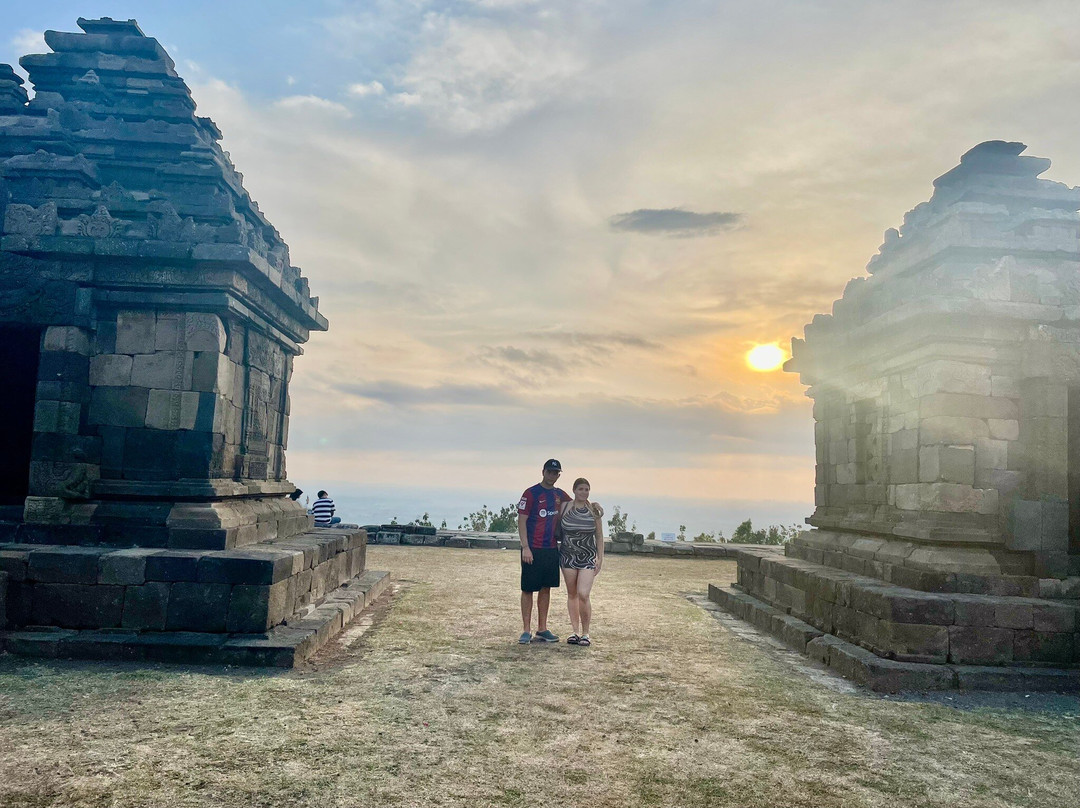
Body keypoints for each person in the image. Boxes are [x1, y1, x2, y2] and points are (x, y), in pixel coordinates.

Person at [516, 459, 569, 644]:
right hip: (532, 549)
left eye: (556, 473)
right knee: (528, 589)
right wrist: (525, 547)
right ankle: (525, 630)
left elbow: (576, 504)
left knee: (546, 588)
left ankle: (542, 628)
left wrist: (593, 505)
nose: (552, 476)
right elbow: (521, 521)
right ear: (543, 472)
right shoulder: (530, 493)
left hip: (551, 549)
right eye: (550, 472)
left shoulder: (559, 494)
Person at [558, 478, 604, 647]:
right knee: (572, 594)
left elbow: (599, 536)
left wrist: (600, 557)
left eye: (587, 489)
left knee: (583, 594)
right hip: (568, 556)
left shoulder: (593, 511)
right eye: (581, 489)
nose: (584, 492)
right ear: (574, 490)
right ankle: (575, 632)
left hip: (588, 557)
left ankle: (586, 633)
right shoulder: (565, 507)